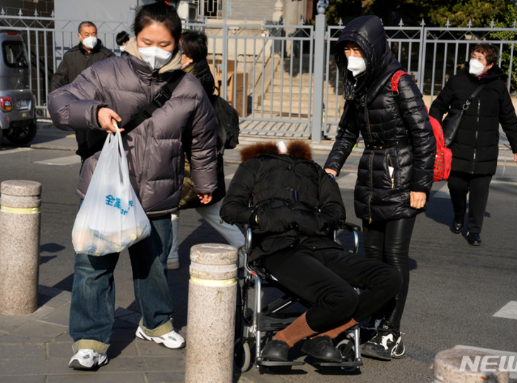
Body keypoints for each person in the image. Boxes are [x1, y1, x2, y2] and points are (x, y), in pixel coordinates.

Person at [48, 1, 218, 370]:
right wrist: (93, 113)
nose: (154, 50)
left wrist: (206, 183)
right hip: (105, 192)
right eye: (146, 40)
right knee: (93, 266)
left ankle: (155, 322)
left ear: (177, 44)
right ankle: (90, 338)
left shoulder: (189, 88)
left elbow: (203, 140)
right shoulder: (105, 72)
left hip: (159, 194)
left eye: (164, 44)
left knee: (155, 264)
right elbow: (59, 102)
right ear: (135, 38)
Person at [220, 141, 402, 363]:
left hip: (320, 244)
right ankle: (284, 339)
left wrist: (314, 221)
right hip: (278, 248)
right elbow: (229, 209)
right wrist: (261, 218)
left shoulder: (314, 170)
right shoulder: (253, 166)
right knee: (343, 296)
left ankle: (325, 336)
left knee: (389, 277)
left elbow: (336, 211)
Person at [323, 15, 436, 360]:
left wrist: (421, 185)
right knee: (371, 258)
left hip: (402, 180)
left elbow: (423, 136)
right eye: (348, 50)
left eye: (358, 49)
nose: (352, 55)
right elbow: (347, 133)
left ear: (374, 49)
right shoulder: (358, 86)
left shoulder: (399, 82)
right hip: (371, 180)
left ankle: (392, 330)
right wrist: (330, 168)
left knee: (394, 255)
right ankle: (373, 319)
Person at [429, 43, 517, 246]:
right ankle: (457, 215)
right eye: (473, 55)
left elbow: (508, 117)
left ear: (489, 65)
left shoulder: (498, 86)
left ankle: (474, 230)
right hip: (457, 148)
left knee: (480, 193)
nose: (475, 60)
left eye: (480, 58)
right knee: (456, 186)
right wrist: (434, 130)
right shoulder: (457, 81)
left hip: (485, 151)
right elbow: (438, 106)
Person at [166, 30, 244, 270]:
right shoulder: (197, 74)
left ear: (187, 55)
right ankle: (170, 257)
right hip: (193, 156)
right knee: (187, 206)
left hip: (190, 157)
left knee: (179, 205)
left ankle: (243, 247)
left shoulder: (188, 82)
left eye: (175, 48)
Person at [50, 21, 115, 161]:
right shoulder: (70, 56)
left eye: (93, 34)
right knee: (83, 149)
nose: (91, 37)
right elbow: (59, 78)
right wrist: (55, 98)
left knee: (100, 149)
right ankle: (86, 176)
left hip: (99, 109)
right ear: (80, 36)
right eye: (87, 34)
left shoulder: (107, 56)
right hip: (79, 109)